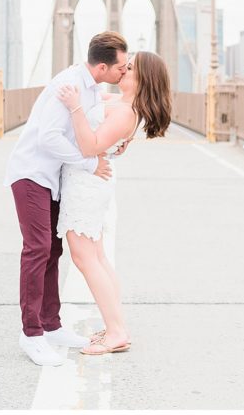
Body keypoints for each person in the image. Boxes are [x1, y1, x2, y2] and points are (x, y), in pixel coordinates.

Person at [5, 31, 129, 367]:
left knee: (53, 250)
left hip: (53, 179)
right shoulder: (69, 84)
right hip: (32, 173)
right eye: (121, 67)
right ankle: (31, 334)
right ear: (102, 67)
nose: (124, 72)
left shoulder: (91, 88)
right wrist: (89, 163)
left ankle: (51, 325)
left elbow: (98, 123)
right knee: (37, 249)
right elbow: (48, 138)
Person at [54, 50, 172, 355]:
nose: (122, 70)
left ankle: (117, 331)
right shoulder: (120, 104)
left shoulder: (124, 113)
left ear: (142, 78)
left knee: (85, 258)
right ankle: (114, 326)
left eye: (129, 67)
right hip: (91, 182)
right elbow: (94, 99)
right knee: (97, 257)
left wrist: (75, 109)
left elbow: (90, 145)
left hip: (88, 184)